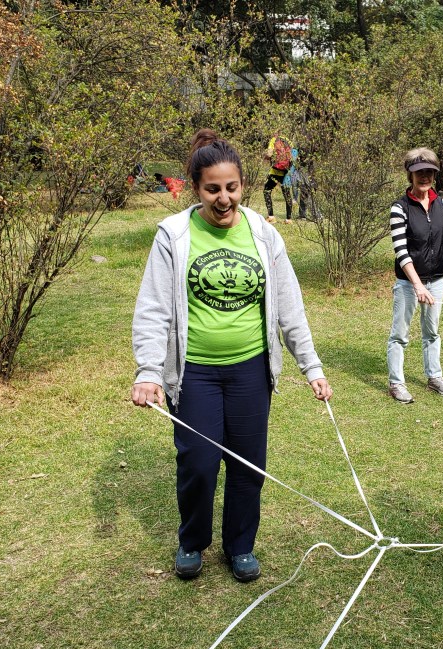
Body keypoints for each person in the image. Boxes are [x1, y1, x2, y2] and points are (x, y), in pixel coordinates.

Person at [132, 129, 332, 583]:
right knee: (199, 463)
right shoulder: (174, 235)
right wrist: (148, 371)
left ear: (243, 184)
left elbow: (289, 306)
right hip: (195, 372)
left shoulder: (263, 234)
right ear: (196, 188)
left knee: (247, 465)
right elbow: (154, 308)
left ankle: (240, 546)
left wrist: (312, 366)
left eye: (232, 187)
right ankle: (192, 540)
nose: (224, 199)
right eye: (212, 189)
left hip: (250, 370)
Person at [386, 147, 443, 404]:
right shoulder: (400, 208)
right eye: (419, 172)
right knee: (400, 334)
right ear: (410, 175)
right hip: (408, 283)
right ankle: (396, 382)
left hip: (436, 280)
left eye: (429, 171)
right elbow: (401, 252)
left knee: (432, 332)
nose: (425, 177)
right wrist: (417, 285)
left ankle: (434, 377)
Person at [262, 134, 294, 224]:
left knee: (267, 190)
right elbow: (293, 154)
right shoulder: (287, 140)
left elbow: (269, 154)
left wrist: (265, 156)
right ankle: (288, 219)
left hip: (275, 171)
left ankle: (271, 217)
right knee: (287, 194)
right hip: (286, 172)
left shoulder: (273, 140)